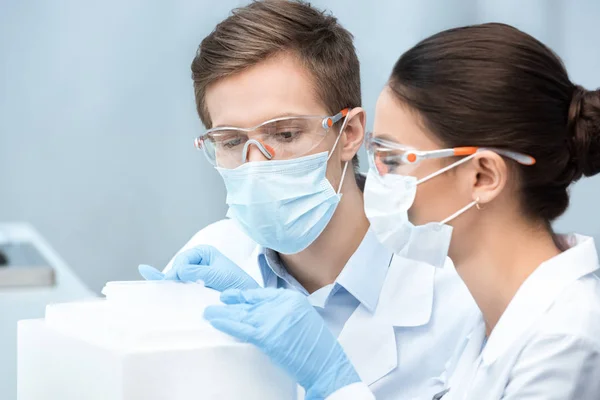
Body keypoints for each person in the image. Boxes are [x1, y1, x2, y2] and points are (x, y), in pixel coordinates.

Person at [200, 23, 600, 399]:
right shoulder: (495, 317)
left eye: (393, 159)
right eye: (232, 141)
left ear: (481, 176)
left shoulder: (567, 340)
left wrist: (334, 380)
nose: (377, 180)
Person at [139, 1, 476, 399]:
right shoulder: (208, 260)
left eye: (285, 134)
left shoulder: (459, 298)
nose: (256, 166)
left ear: (349, 133)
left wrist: (334, 381)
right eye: (231, 141)